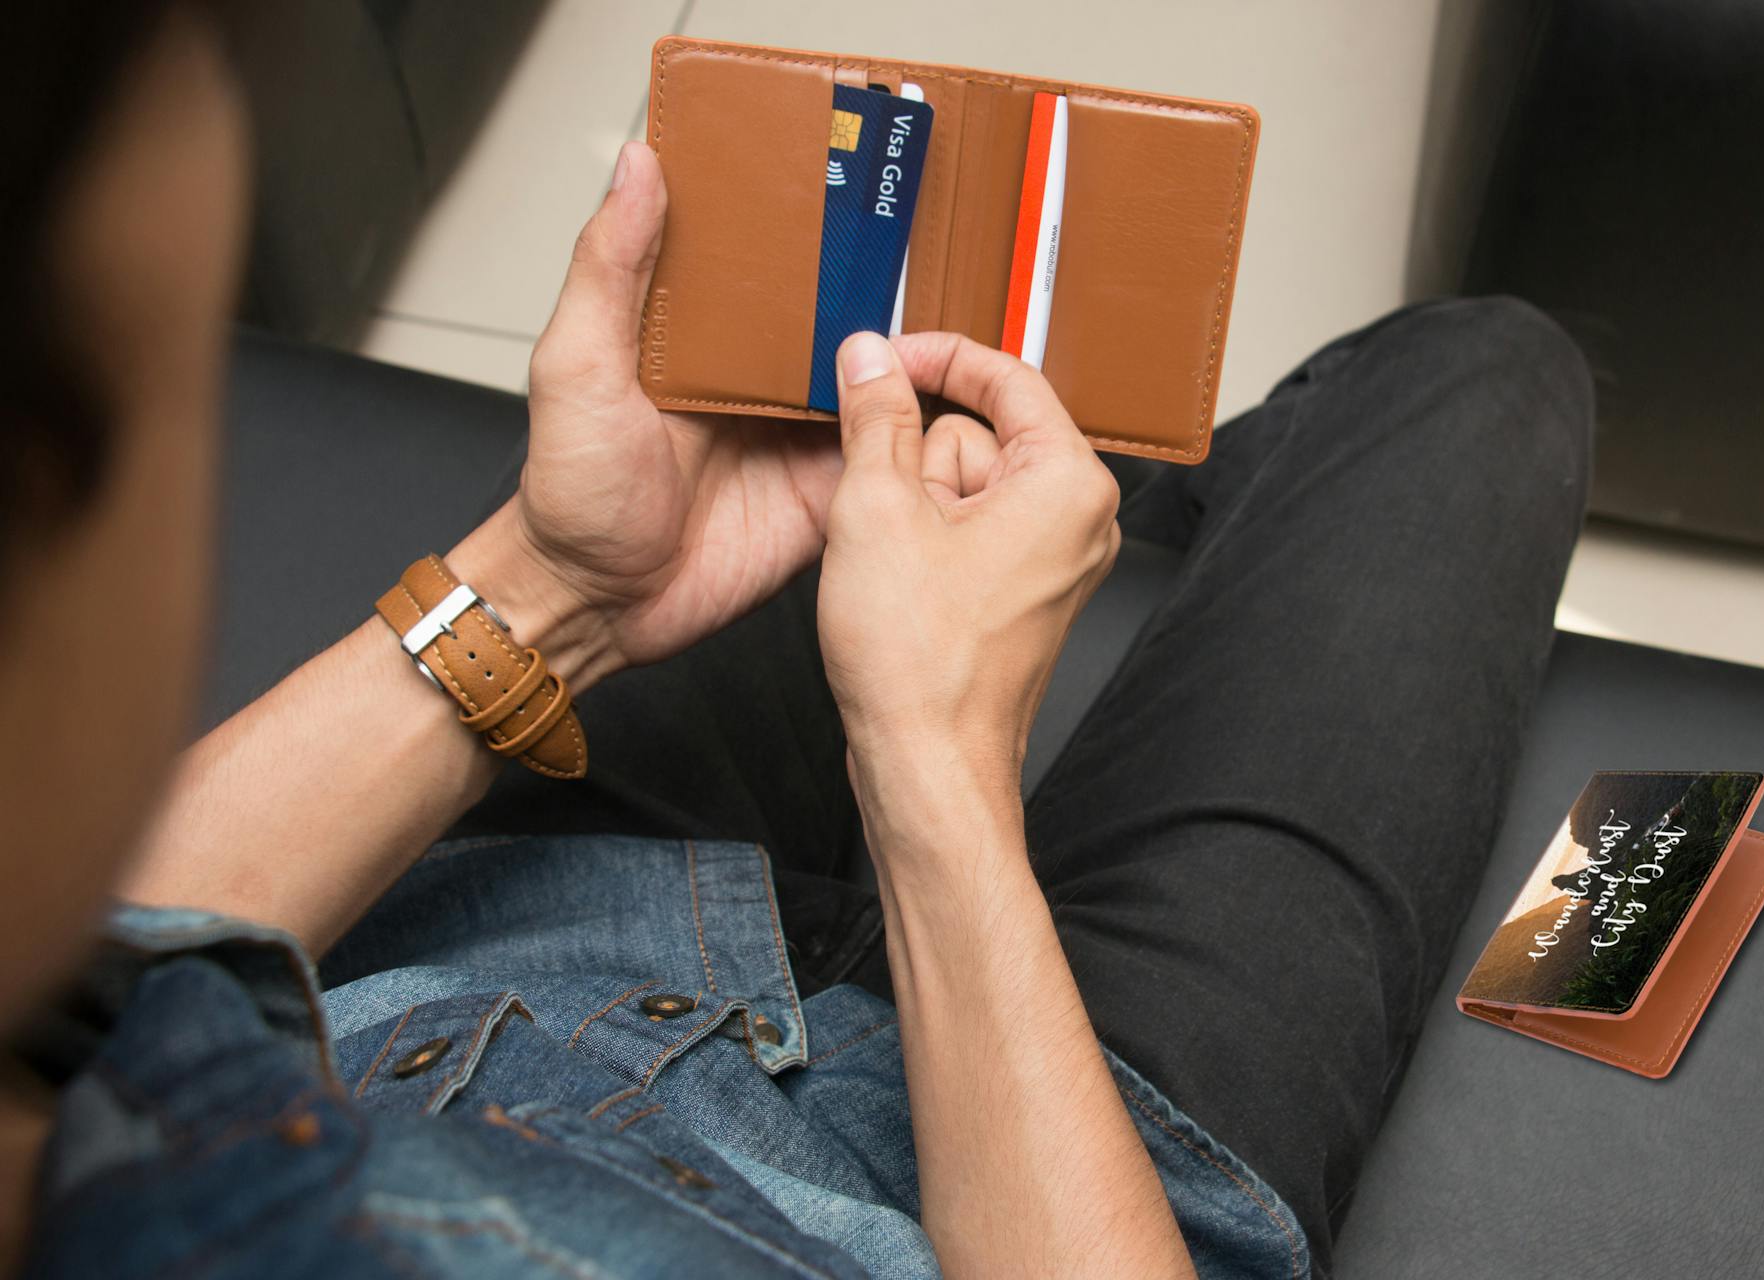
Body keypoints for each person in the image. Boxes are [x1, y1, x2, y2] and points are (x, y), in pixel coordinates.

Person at [0, 5, 1591, 1278]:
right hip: (1080, 1172)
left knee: (940, 405)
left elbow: (100, 977)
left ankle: (1101, 497)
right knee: (1474, 376)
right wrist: (934, 768)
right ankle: (1139, 498)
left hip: (492, 953)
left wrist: (561, 586)